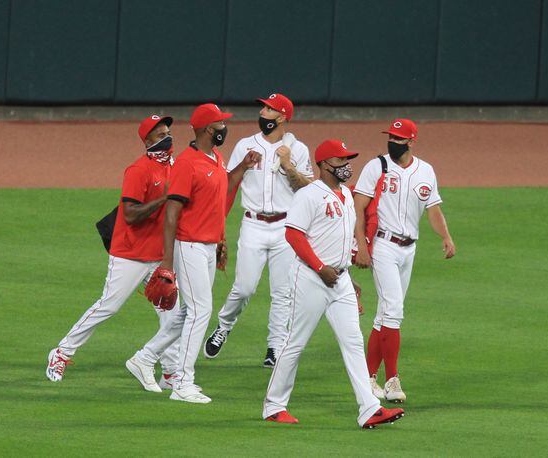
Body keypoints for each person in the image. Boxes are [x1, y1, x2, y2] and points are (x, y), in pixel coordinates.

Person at [263, 139, 404, 429]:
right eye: (340, 161)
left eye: (347, 160)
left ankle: (369, 409)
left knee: (353, 341)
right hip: (311, 278)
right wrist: (319, 267)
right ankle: (274, 406)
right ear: (325, 164)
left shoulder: (346, 196)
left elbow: (340, 242)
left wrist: (348, 279)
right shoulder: (309, 195)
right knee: (295, 343)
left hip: (339, 280)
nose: (346, 166)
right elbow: (293, 235)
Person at [126, 103, 257, 403]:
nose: (224, 129)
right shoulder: (187, 163)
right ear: (208, 130)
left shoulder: (214, 158)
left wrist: (221, 240)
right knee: (201, 311)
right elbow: (172, 213)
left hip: (208, 246)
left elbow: (217, 200)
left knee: (188, 312)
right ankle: (182, 382)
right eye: (220, 125)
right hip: (189, 246)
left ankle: (144, 359)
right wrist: (167, 263)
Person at [46, 115, 179, 387]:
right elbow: (130, 215)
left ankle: (169, 372)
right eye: (159, 134)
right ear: (147, 141)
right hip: (129, 253)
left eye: (168, 132)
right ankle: (61, 352)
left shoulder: (175, 167)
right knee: (109, 306)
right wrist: (164, 197)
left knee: (171, 312)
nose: (167, 138)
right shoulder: (138, 170)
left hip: (158, 254)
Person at [204, 93, 313, 368]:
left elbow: (308, 189)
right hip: (252, 224)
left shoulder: (297, 149)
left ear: (283, 117)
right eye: (263, 108)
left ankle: (274, 347)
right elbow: (226, 187)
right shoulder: (245, 145)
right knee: (243, 288)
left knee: (283, 292)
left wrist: (288, 165)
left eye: (269, 109)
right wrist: (243, 165)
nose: (263, 113)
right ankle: (224, 326)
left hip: (285, 226)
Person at [352, 119, 455, 403]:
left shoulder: (426, 171)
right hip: (383, 245)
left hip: (409, 249)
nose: (393, 142)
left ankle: (369, 377)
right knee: (394, 310)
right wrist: (361, 246)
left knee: (385, 314)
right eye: (391, 137)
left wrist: (446, 237)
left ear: (411, 142)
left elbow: (433, 209)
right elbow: (358, 207)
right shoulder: (377, 167)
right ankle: (392, 379)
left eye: (399, 138)